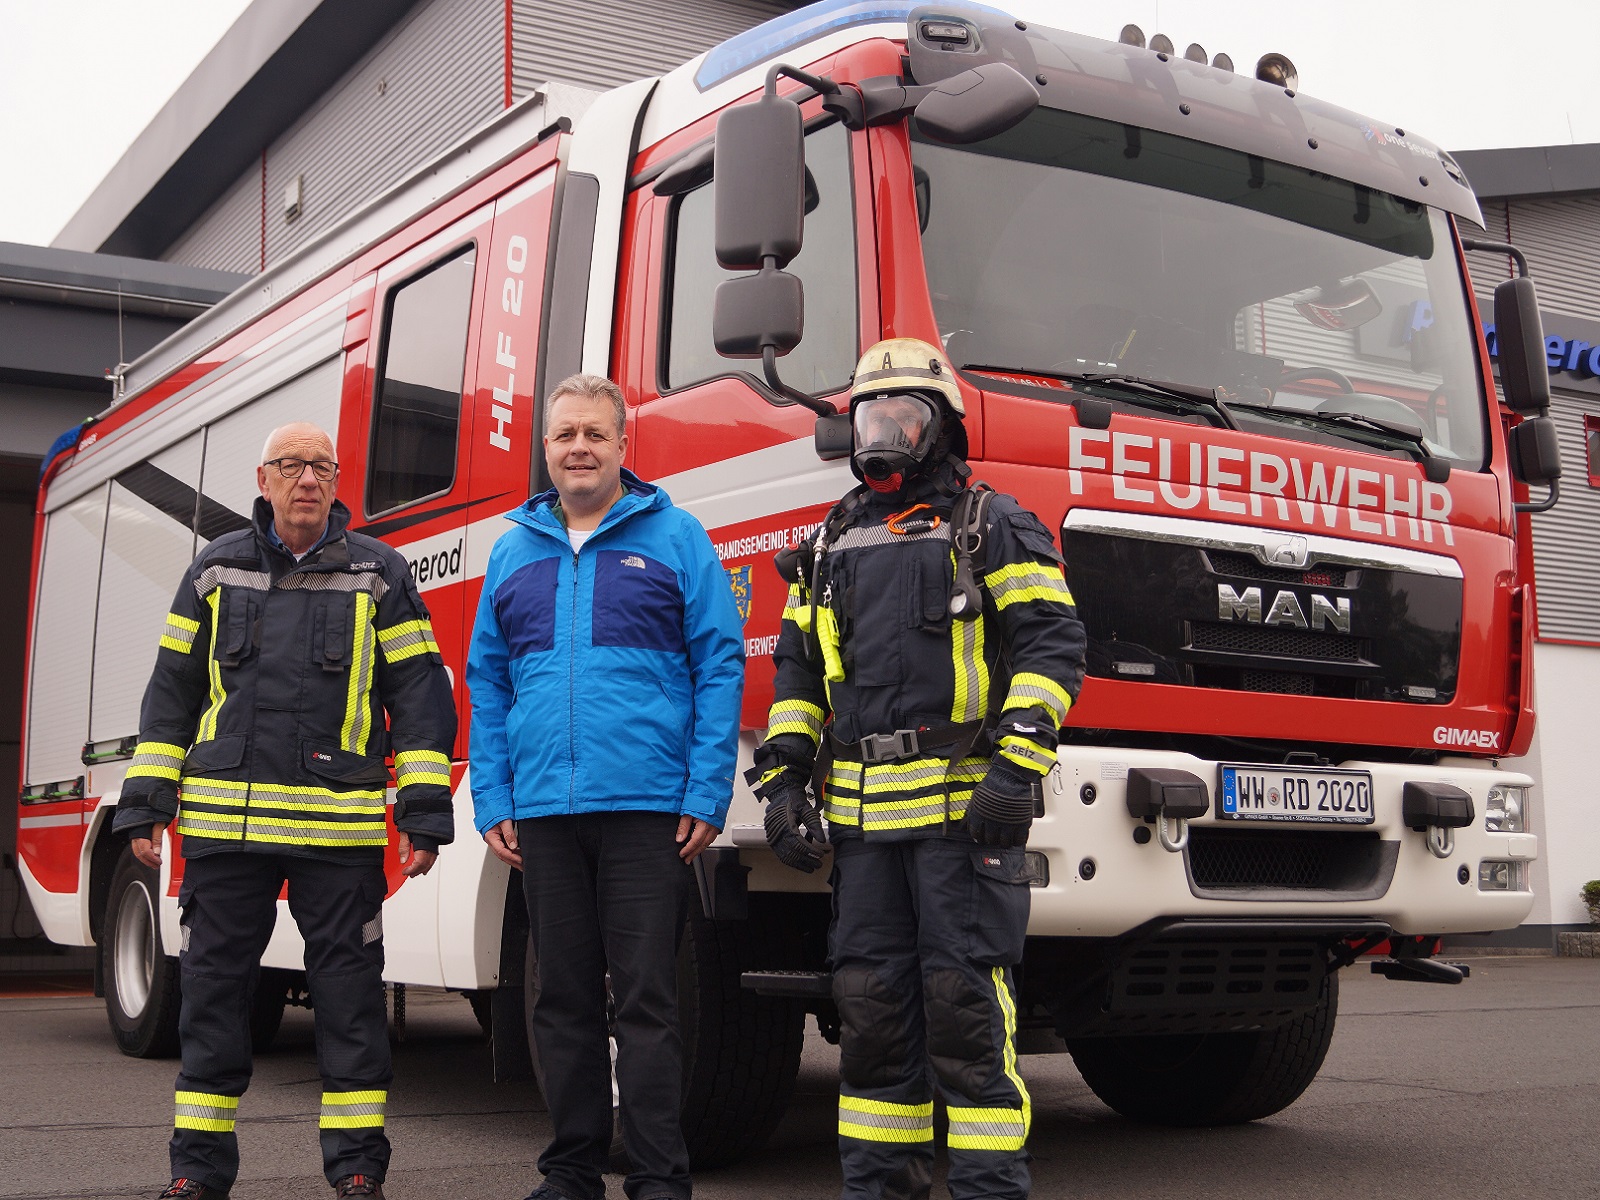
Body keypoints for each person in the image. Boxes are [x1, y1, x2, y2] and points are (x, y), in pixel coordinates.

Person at [749, 339, 1087, 1200]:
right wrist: (784, 781)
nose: (885, 431)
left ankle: (987, 1190)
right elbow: (797, 670)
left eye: (905, 415)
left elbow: (1054, 645)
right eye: (871, 415)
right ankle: (877, 1189)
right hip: (864, 834)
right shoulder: (830, 541)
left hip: (963, 822)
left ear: (942, 431)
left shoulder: (991, 522)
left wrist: (1017, 769)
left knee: (966, 1011)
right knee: (868, 1017)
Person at [113, 422, 457, 1200]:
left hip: (337, 839)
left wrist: (424, 810)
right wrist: (146, 804)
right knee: (213, 1005)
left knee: (351, 1008)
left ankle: (359, 1169)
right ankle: (196, 1175)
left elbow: (421, 700)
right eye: (291, 466)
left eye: (321, 467)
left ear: (337, 483)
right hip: (225, 834)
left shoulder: (380, 574)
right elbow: (171, 695)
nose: (307, 479)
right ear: (263, 480)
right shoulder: (214, 568)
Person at [467, 373, 745, 1200]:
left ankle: (659, 1175)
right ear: (546, 450)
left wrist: (705, 792)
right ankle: (572, 1169)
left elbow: (719, 663)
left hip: (646, 810)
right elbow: (487, 681)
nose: (579, 447)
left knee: (648, 999)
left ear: (625, 446)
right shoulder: (514, 548)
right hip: (545, 812)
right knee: (561, 1002)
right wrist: (495, 798)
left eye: (594, 433)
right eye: (564, 435)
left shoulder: (677, 537)